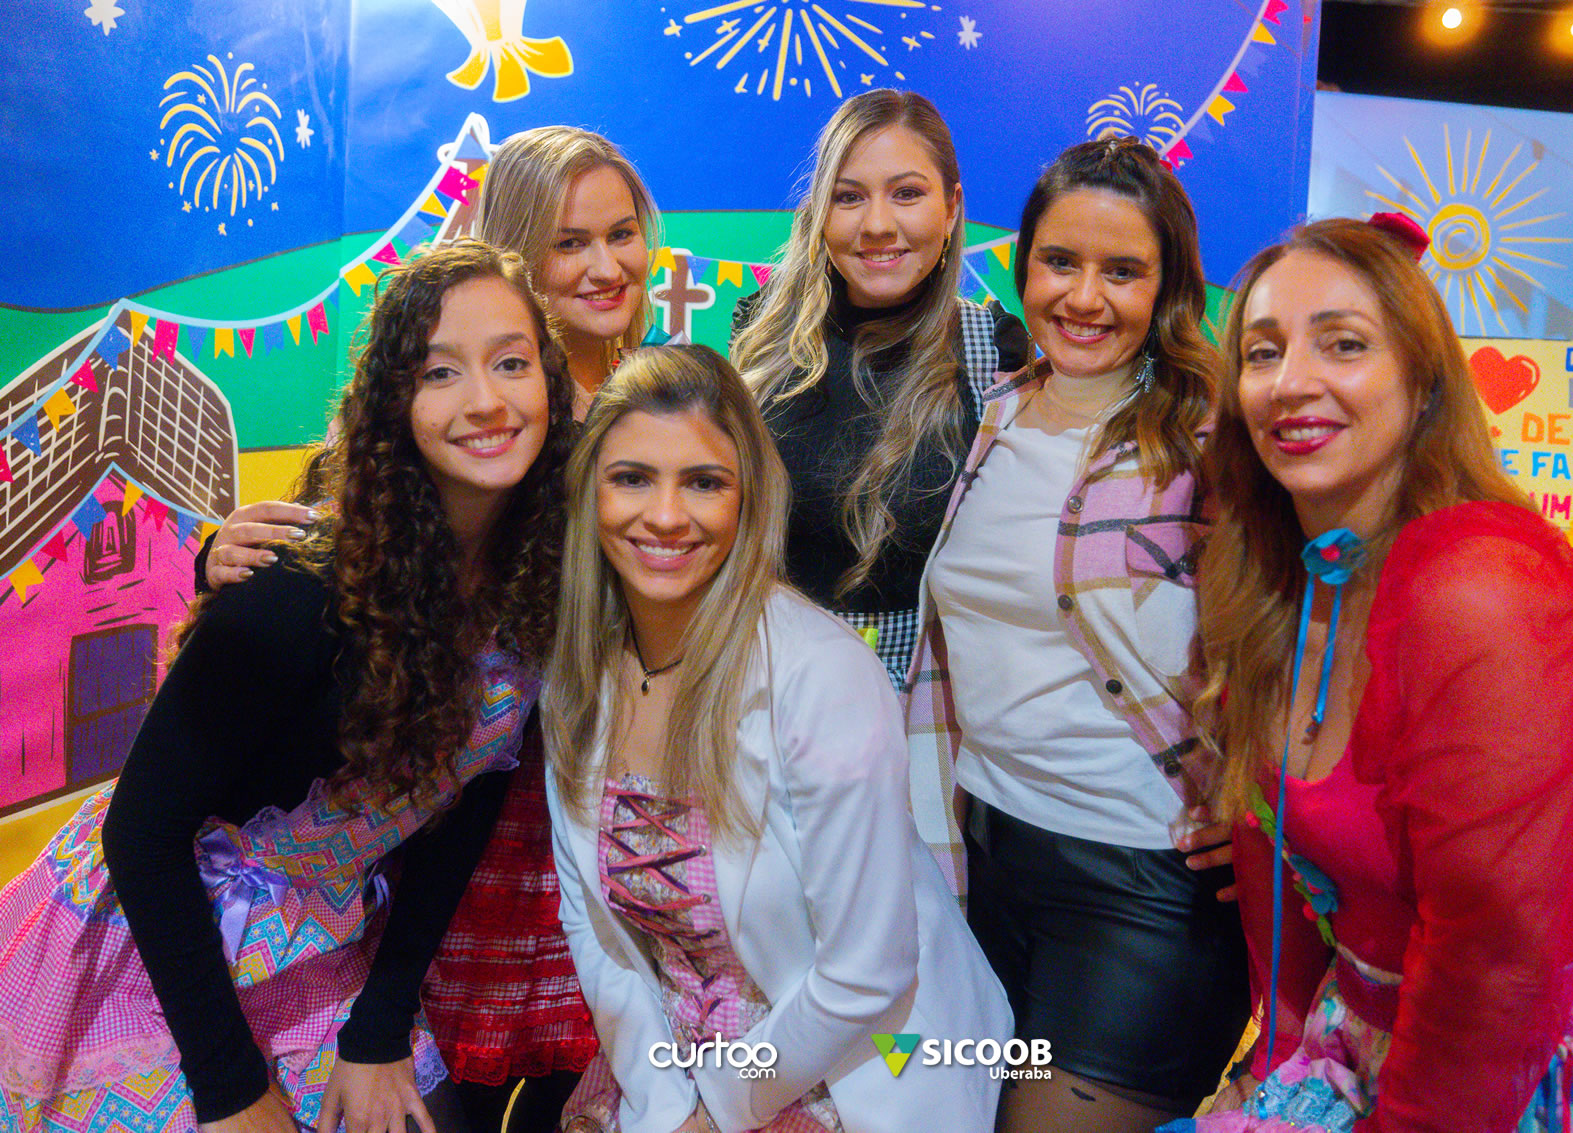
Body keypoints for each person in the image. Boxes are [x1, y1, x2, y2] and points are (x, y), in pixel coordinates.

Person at [0, 240, 574, 1133]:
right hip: (157, 954)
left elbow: (461, 816)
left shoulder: (539, 587)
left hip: (328, 944)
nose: (487, 401)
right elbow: (140, 834)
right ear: (394, 403)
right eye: (440, 372)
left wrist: (381, 1024)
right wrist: (230, 1088)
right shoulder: (296, 591)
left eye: (511, 362)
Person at [1171, 215, 1573, 1132]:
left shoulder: (1481, 591)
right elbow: (1281, 869)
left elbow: (1494, 964)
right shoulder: (1272, 578)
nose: (1290, 381)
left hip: (1531, 1063)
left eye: (1343, 343)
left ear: (1422, 383)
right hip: (1367, 1033)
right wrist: (1276, 1061)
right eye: (1262, 352)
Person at [193, 125, 662, 1131]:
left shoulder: (657, 406)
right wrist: (223, 559)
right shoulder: (460, 410)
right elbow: (344, 541)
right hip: (451, 820)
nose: (603, 266)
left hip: (599, 807)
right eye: (568, 242)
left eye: (620, 234)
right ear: (515, 256)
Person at [543, 344, 1010, 1133]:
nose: (666, 515)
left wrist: (717, 1111)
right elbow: (596, 933)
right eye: (632, 478)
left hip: (851, 1071)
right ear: (589, 492)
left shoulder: (821, 673)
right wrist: (665, 1107)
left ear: (749, 499)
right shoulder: (576, 677)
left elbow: (867, 971)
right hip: (673, 1069)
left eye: (704, 482)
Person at [902, 138, 1247, 1133]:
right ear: (1022, 268)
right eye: (1060, 261)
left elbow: (1306, 626)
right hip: (980, 859)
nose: (1084, 297)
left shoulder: (1212, 438)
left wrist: (1269, 796)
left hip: (1142, 887)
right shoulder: (994, 414)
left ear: (1167, 288)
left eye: (1122, 270)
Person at [729, 88, 1028, 693]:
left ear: (951, 208)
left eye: (907, 193)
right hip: (767, 688)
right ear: (820, 211)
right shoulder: (759, 333)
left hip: (929, 703)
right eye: (849, 197)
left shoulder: (993, 350)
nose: (877, 225)